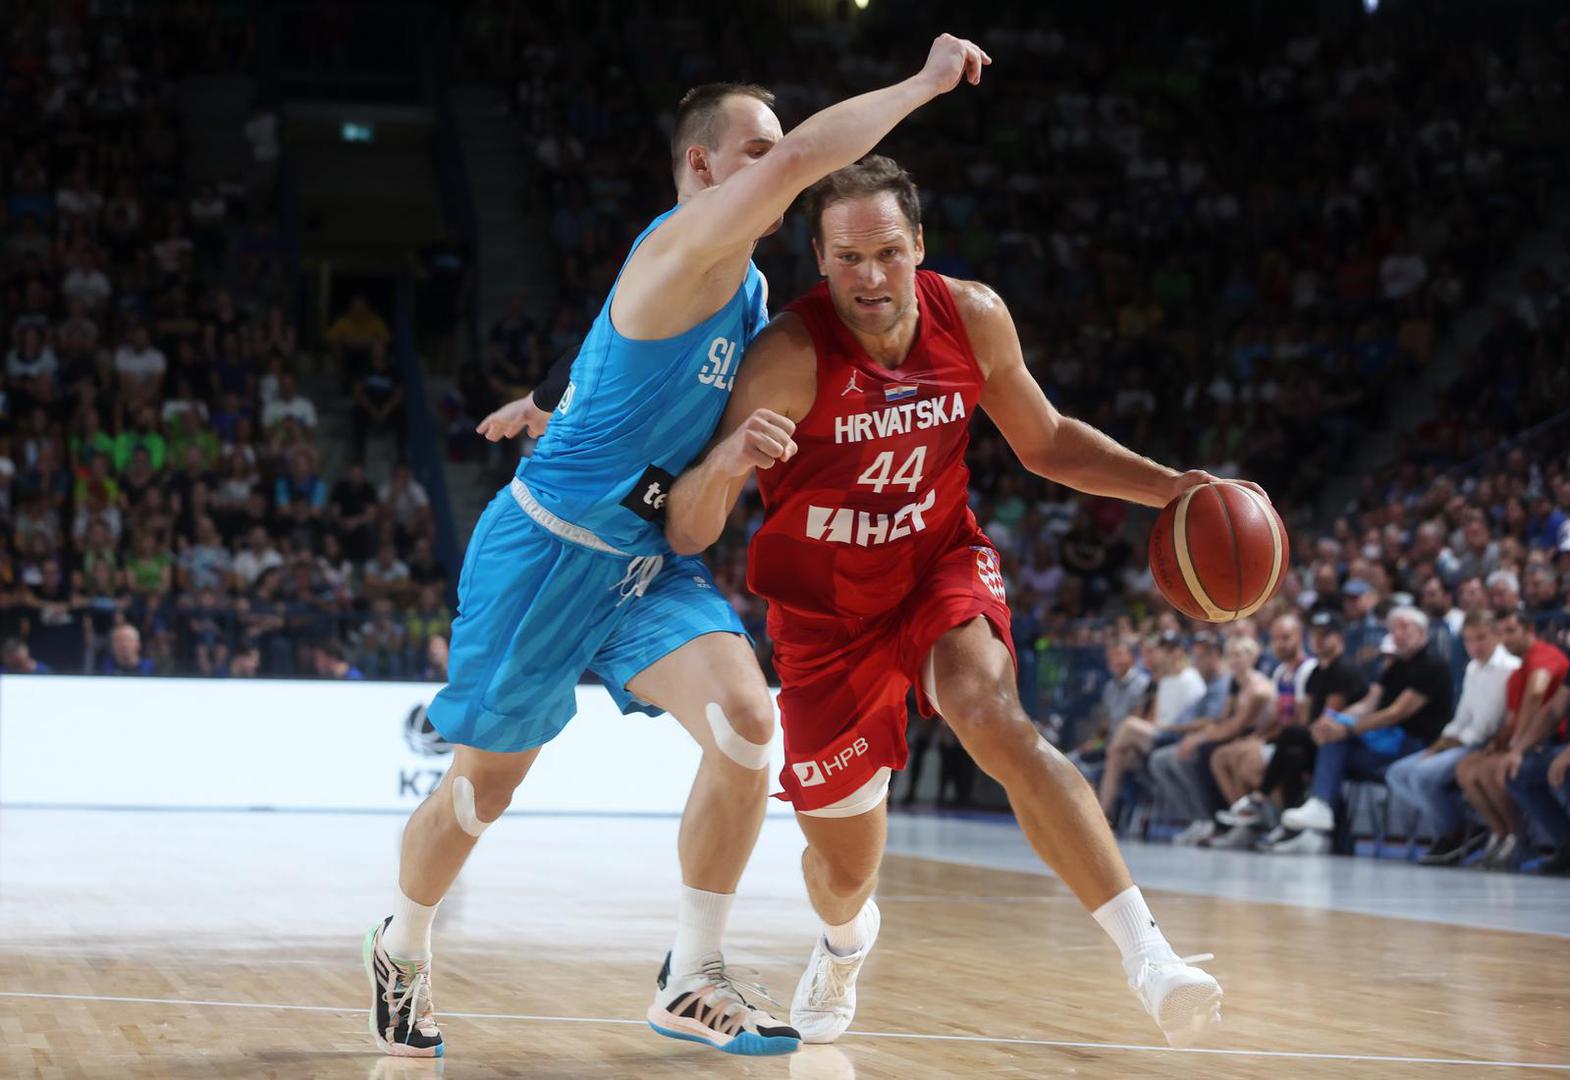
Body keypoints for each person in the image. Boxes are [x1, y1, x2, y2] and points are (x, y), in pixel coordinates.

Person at [367, 37, 993, 1061]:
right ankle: (400, 944)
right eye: (759, 152)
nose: (782, 165)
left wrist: (545, 399)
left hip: (648, 561)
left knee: (749, 725)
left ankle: (691, 975)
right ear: (701, 167)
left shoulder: (741, 287)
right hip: (546, 556)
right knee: (482, 791)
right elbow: (808, 162)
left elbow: (606, 348)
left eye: (777, 148)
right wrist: (925, 85)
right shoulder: (682, 245)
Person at [664, 155, 1253, 1048]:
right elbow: (691, 526)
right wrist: (724, 462)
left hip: (936, 565)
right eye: (848, 258)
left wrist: (1169, 486)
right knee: (842, 872)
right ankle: (845, 941)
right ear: (819, 260)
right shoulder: (786, 357)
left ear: (919, 245)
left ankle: (1151, 958)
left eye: (887, 253)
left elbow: (1046, 441)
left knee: (993, 715)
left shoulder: (972, 317)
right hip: (825, 619)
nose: (870, 277)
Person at [1279, 607, 1453, 847]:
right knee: (1329, 738)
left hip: (1415, 746)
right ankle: (1320, 817)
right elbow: (1368, 703)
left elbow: (1395, 714)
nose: (1398, 634)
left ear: (1422, 632)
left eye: (1405, 628)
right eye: (1394, 629)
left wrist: (1350, 729)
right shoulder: (1395, 666)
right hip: (1385, 742)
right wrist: (1334, 720)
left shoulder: (1433, 665)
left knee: (1333, 741)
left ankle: (1322, 813)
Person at [1387, 611, 1518, 865]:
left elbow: (1487, 724)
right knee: (1397, 773)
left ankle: (1454, 833)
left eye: (1481, 638)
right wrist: (1443, 740)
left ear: (1496, 635)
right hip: (1463, 740)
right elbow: (1463, 715)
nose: (1475, 646)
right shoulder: (1472, 667)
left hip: (1487, 744)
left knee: (1421, 776)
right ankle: (1464, 825)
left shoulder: (1508, 668)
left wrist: (1452, 743)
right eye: (1468, 640)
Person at [1455, 609, 1570, 869]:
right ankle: (1511, 836)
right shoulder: (1519, 669)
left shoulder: (1543, 658)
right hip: (1545, 744)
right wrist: (1512, 749)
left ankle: (1519, 843)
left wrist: (1518, 747)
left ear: (1529, 630)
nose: (1506, 638)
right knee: (1499, 771)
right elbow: (1548, 710)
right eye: (1501, 632)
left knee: (1504, 771)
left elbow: (1536, 696)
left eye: (1511, 631)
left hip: (1556, 744)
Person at [1255, 612, 1370, 854]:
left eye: (1325, 635)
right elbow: (1306, 719)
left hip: (1344, 744)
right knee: (1293, 754)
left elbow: (1329, 716)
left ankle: (1261, 798)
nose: (1318, 640)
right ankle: (1292, 827)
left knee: (1291, 737)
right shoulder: (1316, 673)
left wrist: (1306, 731)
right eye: (1315, 635)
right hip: (1319, 739)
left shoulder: (1345, 670)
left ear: (1339, 638)